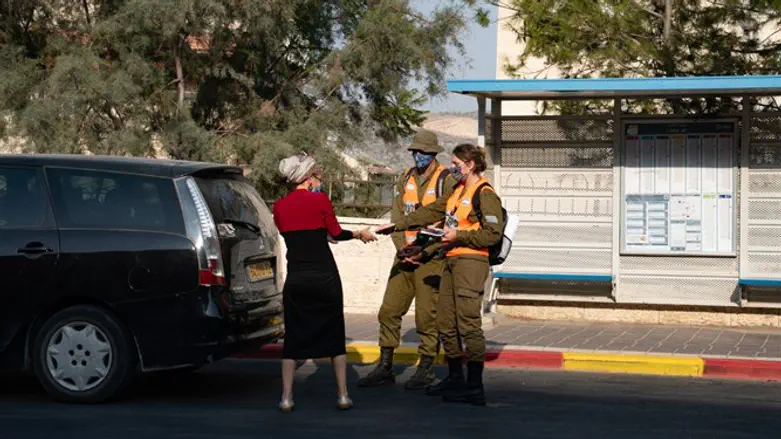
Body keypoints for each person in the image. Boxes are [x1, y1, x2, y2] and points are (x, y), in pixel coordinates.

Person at [375, 143, 504, 406]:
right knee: (445, 322)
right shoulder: (458, 190)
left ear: (470, 165)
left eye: (457, 164)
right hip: (450, 260)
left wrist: (460, 235)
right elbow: (431, 212)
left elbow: (493, 234)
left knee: (468, 323)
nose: (453, 168)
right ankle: (456, 379)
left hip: (471, 262)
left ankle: (474, 385)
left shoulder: (485, 193)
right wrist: (397, 225)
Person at [273, 152, 377, 413]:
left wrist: (321, 235)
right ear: (307, 178)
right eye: (316, 174)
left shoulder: (279, 206)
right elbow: (336, 232)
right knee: (334, 334)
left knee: (293, 339)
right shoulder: (320, 200)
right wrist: (358, 234)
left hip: (297, 277)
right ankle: (342, 395)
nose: (318, 178)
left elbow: (298, 235)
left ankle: (286, 398)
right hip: (324, 277)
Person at [358, 129, 457, 390]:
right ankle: (385, 366)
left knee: (427, 316)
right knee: (389, 310)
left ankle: (425, 368)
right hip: (404, 255)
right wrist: (403, 249)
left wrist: (423, 252)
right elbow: (397, 217)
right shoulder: (405, 177)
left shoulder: (446, 180)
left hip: (431, 257)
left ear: (433, 154)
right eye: (415, 151)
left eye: (423, 152)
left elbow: (450, 220)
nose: (418, 156)